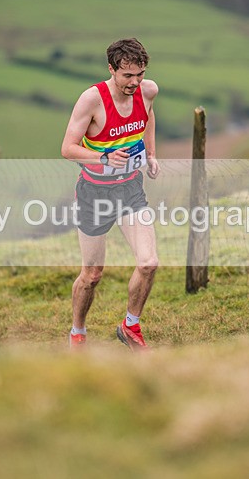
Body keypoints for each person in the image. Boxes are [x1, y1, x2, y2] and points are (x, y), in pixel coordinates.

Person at [60, 38, 160, 350]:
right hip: (94, 193)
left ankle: (131, 326)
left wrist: (151, 155)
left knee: (149, 263)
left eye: (140, 74)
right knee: (92, 275)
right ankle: (78, 331)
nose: (135, 82)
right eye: (127, 75)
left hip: (130, 189)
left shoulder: (148, 91)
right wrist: (103, 157)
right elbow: (67, 149)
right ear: (111, 69)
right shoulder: (92, 100)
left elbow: (148, 117)